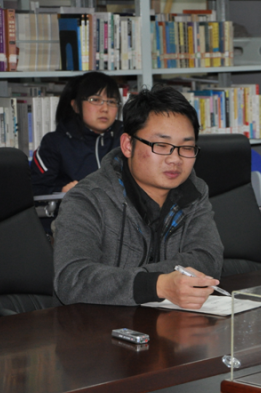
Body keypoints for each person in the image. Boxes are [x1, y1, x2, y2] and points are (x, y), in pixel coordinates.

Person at [53, 86, 224, 309]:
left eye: (187, 147)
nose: (175, 159)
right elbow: (72, 279)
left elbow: (208, 259)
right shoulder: (87, 199)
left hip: (166, 321)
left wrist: (144, 282)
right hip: (97, 324)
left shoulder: (194, 191)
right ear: (127, 145)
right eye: (161, 145)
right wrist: (157, 285)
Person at [31, 71, 123, 195]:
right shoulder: (54, 143)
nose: (105, 108)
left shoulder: (126, 138)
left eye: (111, 102)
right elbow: (35, 190)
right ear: (76, 106)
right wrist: (61, 191)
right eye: (95, 100)